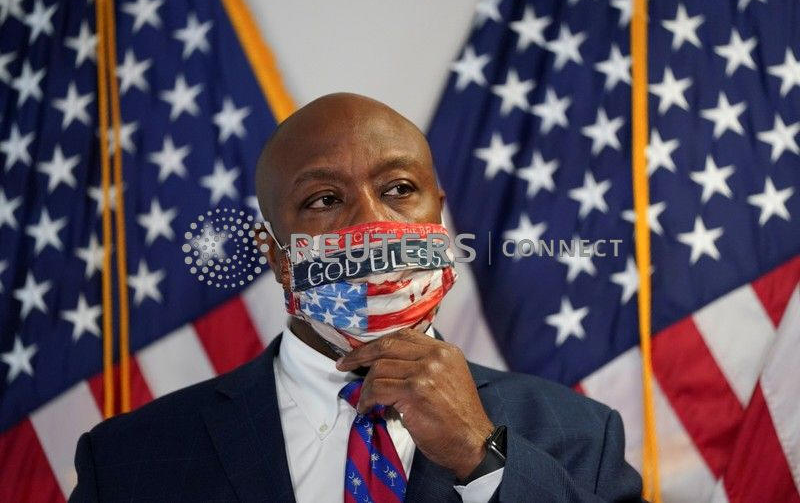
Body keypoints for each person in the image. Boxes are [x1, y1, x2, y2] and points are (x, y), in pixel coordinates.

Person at [70, 93, 643, 502]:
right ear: (277, 257)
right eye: (323, 200)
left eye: (399, 189)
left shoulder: (581, 437)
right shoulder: (129, 460)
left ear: (439, 219)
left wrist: (482, 456)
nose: (373, 225)